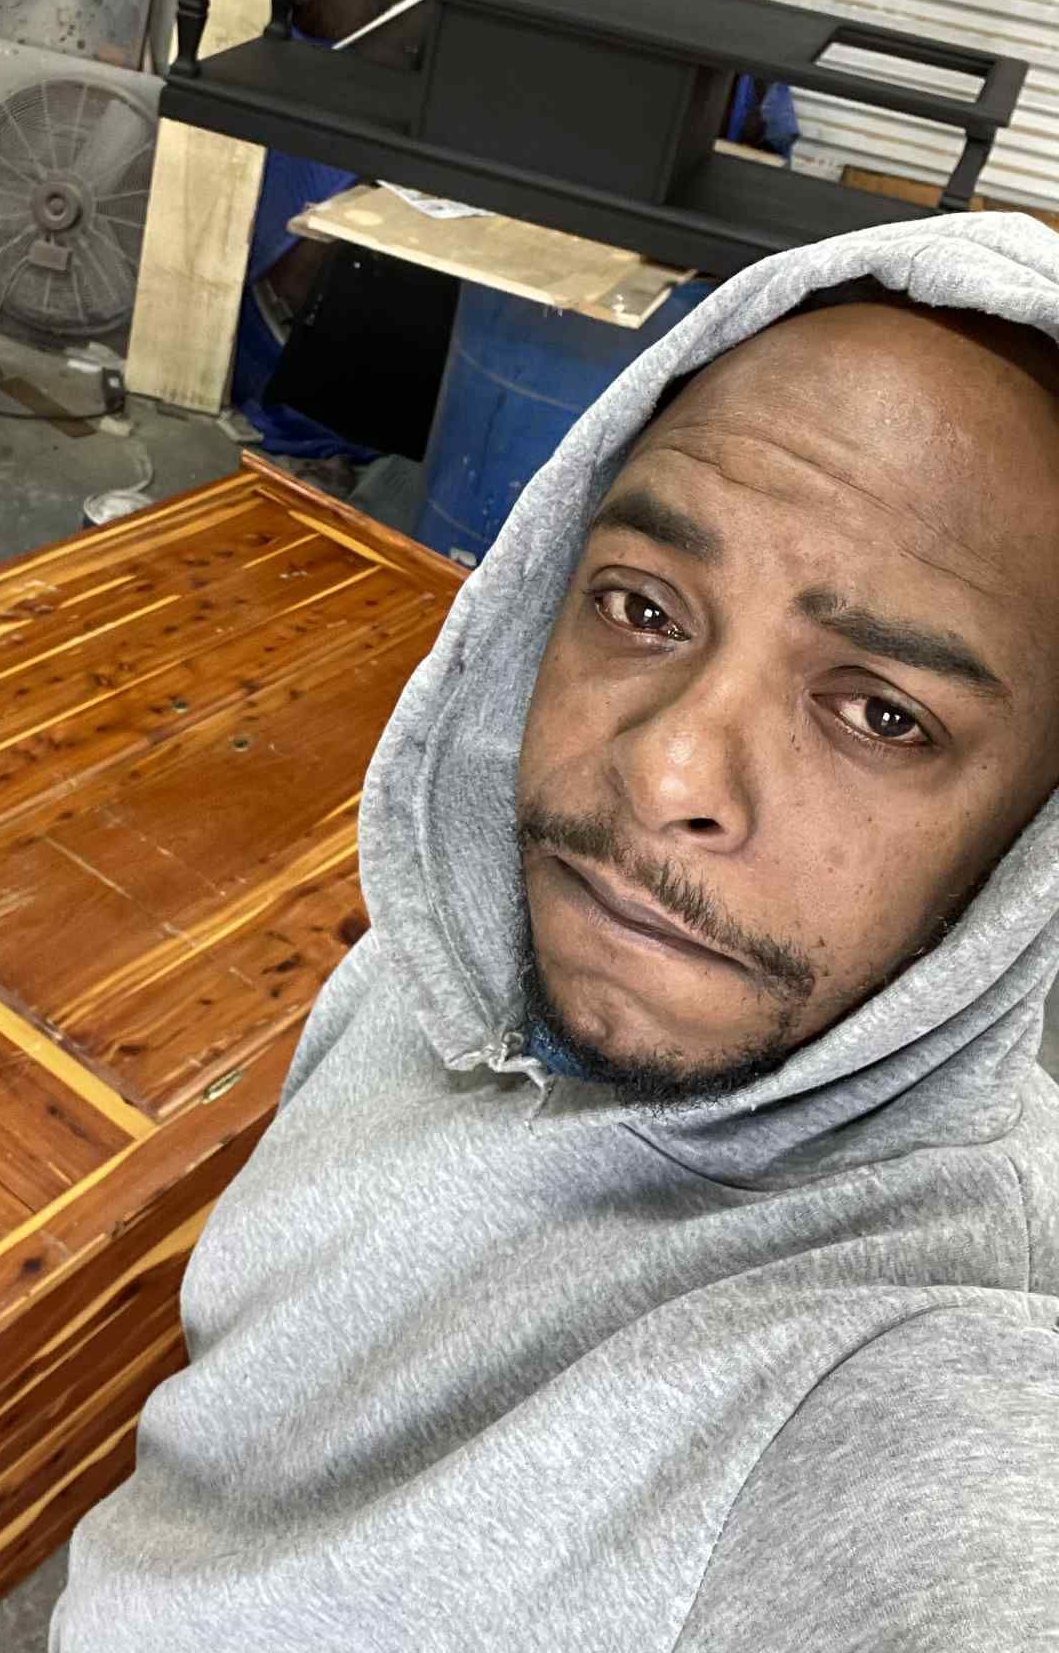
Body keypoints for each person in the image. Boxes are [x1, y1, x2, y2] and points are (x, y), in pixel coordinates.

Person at [53, 212, 1059, 1650]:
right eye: (645, 608)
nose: (667, 778)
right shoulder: (439, 971)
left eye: (882, 712)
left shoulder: (922, 1394)